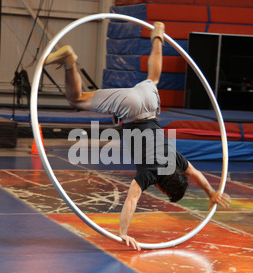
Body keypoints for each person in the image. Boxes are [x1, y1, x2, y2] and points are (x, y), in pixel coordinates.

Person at [45, 22, 231, 250]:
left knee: (154, 78)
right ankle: (69, 61)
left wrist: (211, 192)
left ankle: (158, 36)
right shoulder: (149, 174)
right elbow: (131, 200)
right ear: (162, 188)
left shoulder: (176, 161)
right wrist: (123, 233)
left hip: (150, 104)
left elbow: (196, 174)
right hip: (131, 109)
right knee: (77, 100)